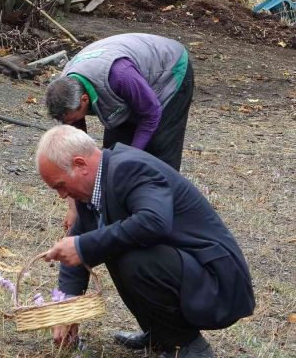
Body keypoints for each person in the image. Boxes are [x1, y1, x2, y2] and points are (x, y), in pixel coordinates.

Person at [36, 125, 255, 358]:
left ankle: (187, 345)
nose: (62, 195)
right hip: (191, 271)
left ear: (80, 165)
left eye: (60, 185)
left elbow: (154, 222)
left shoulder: (129, 168)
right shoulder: (92, 189)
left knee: (133, 258)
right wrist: (67, 306)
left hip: (218, 283)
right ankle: (161, 333)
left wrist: (84, 246)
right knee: (112, 243)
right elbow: (79, 242)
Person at [45, 33, 194, 231]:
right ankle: (116, 222)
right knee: (113, 153)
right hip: (128, 82)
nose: (73, 124)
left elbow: (151, 113)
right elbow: (79, 159)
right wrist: (74, 210)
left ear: (84, 100)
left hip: (170, 72)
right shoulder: (67, 86)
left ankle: (162, 221)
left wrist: (130, 158)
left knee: (158, 153)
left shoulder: (119, 75)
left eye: (74, 119)